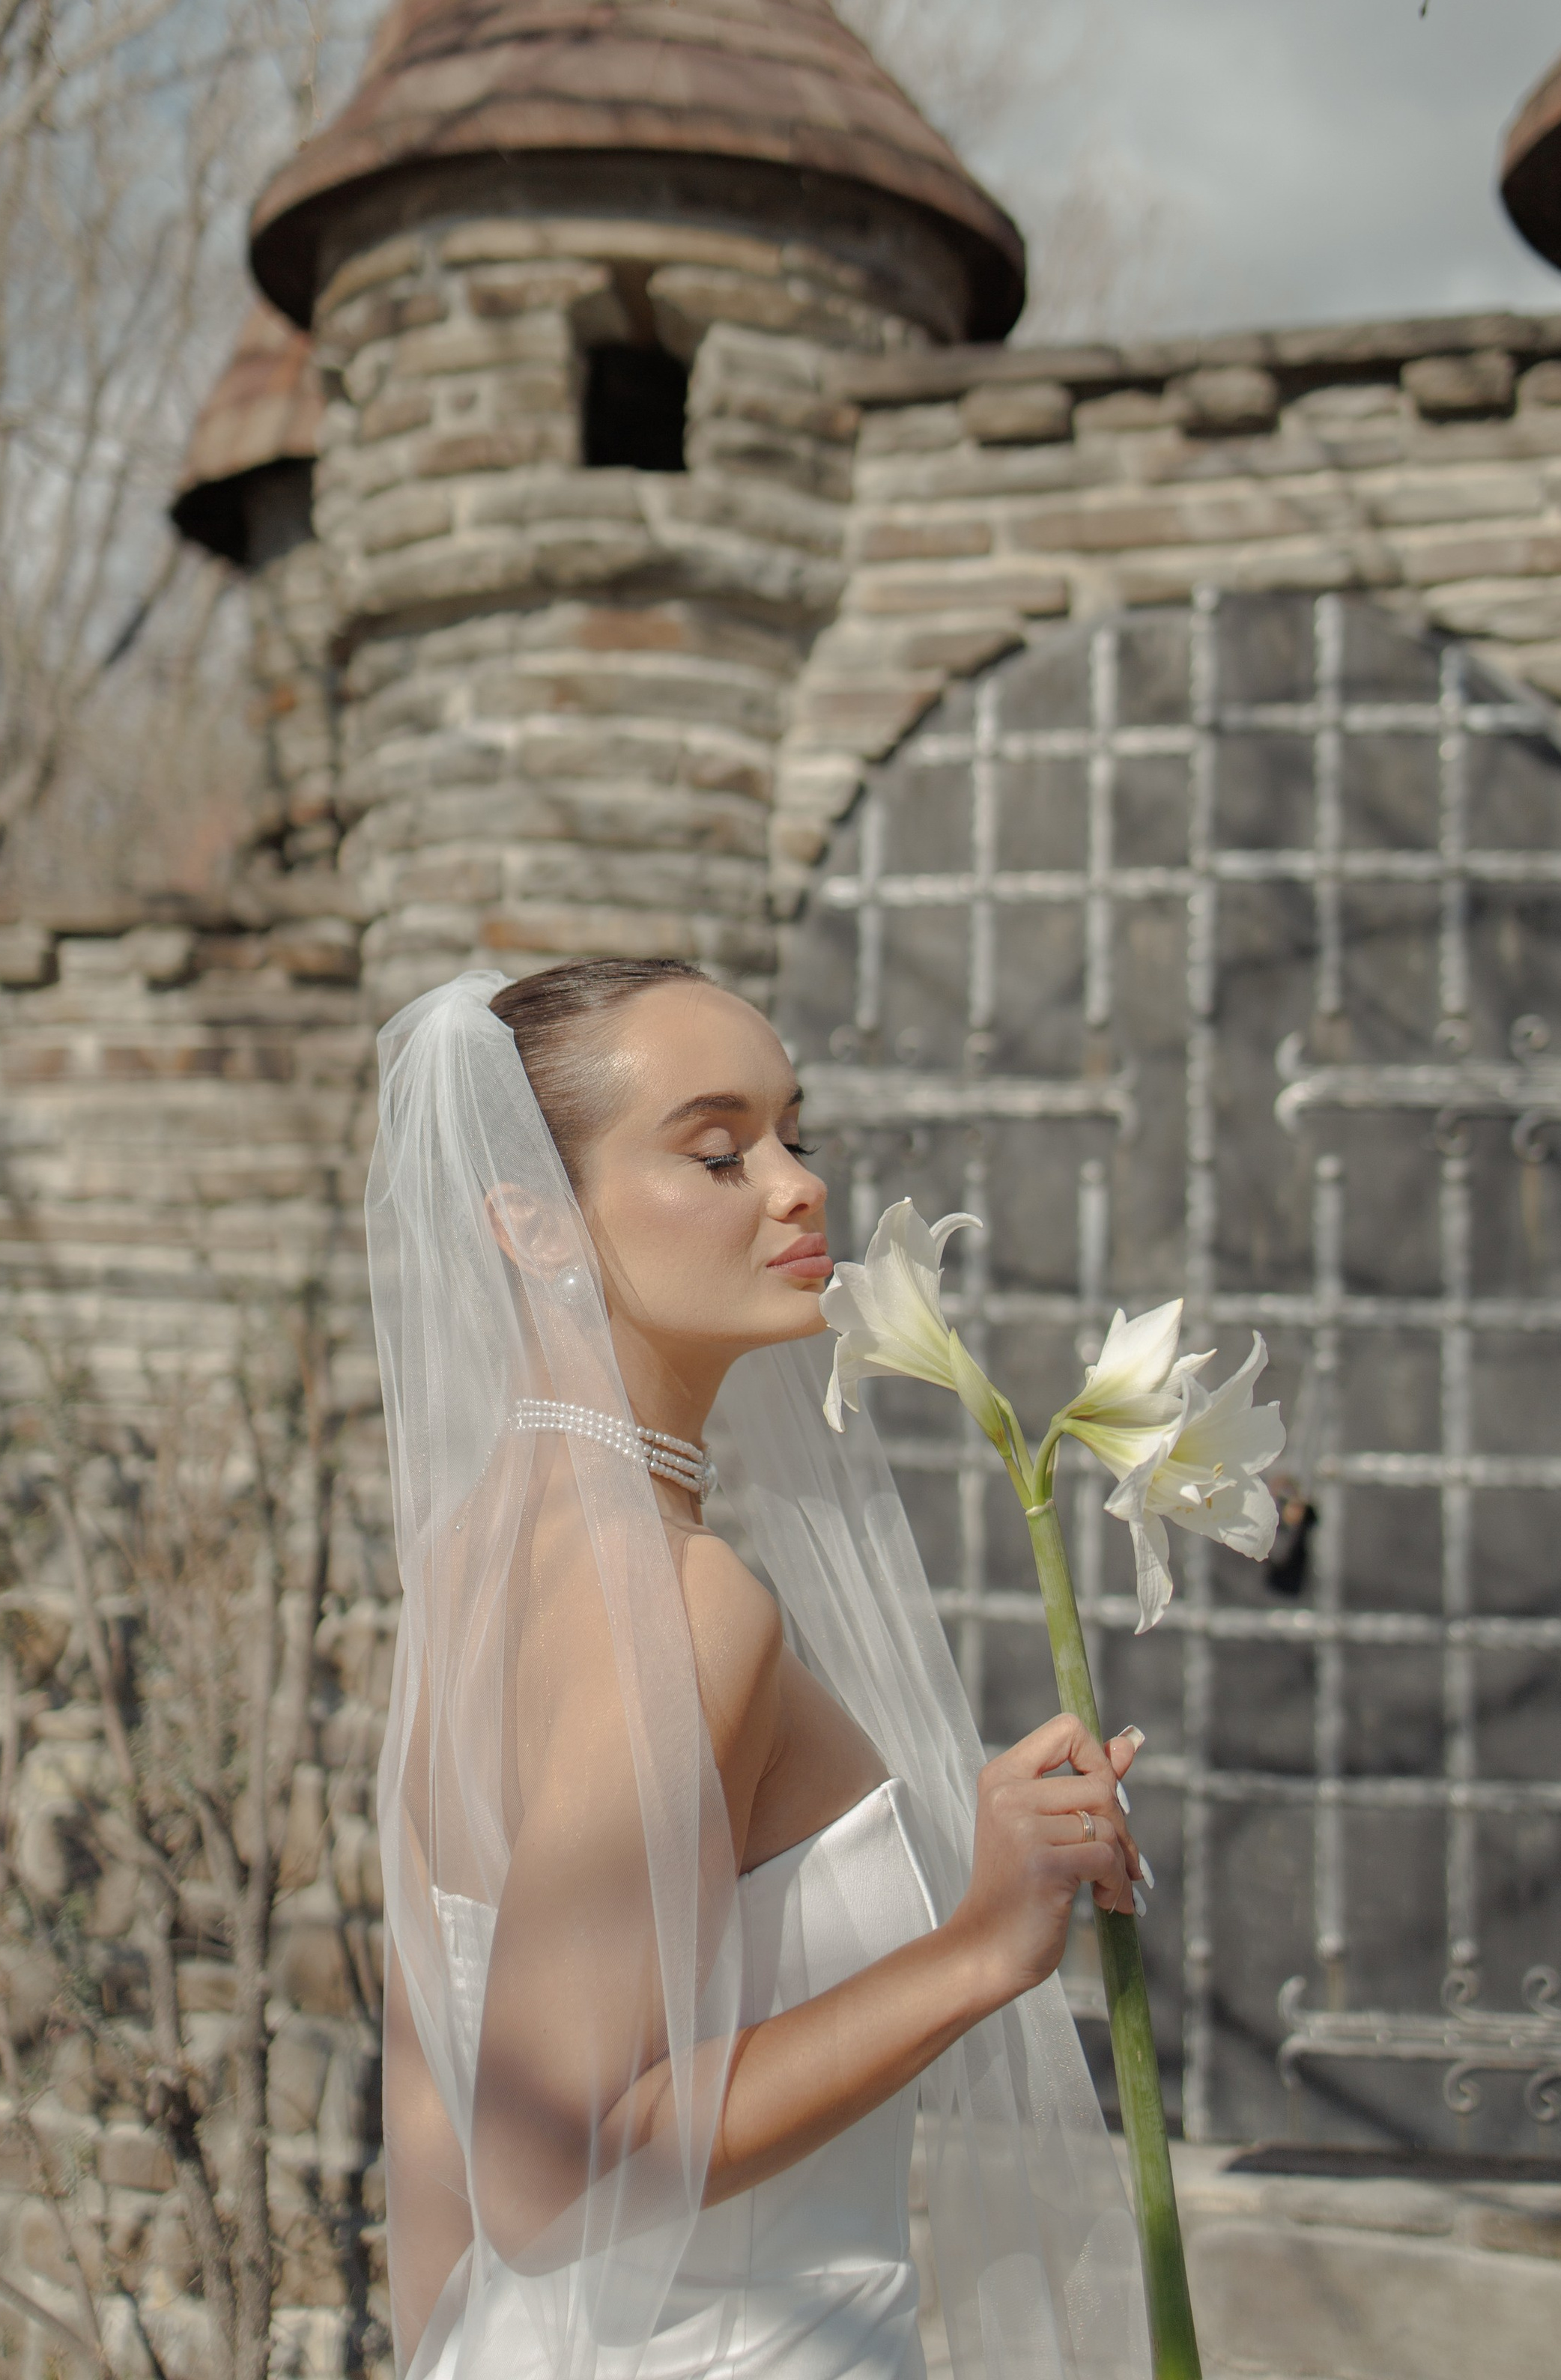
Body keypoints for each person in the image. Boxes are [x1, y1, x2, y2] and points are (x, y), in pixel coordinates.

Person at [370, 960, 1152, 2380]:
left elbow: (430, 2127)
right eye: (720, 1152)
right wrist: (979, 1945)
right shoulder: (680, 1602)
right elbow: (551, 2178)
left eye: (799, 1136)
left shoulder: (476, 1553)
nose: (797, 1189)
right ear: (530, 1221)